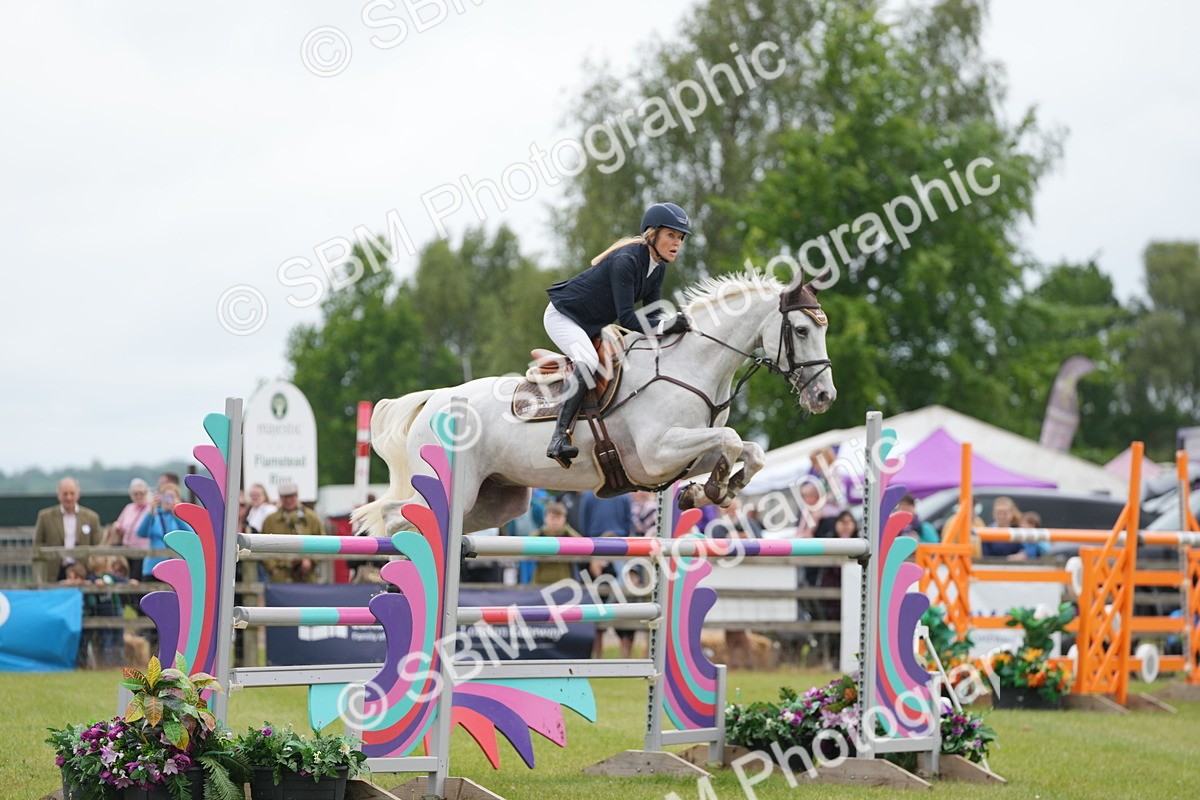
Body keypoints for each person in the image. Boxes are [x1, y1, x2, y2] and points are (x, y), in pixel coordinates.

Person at [543, 202, 693, 467]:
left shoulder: (657, 267)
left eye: (680, 237)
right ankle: (558, 438)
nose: (677, 243)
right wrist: (666, 326)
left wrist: (670, 326)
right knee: (588, 361)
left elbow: (652, 315)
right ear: (652, 234)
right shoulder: (626, 261)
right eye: (671, 235)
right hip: (563, 316)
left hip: (589, 324)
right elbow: (627, 318)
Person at [33, 477, 102, 584]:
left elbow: (98, 547)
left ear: (78, 495)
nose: (69, 498)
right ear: (58, 495)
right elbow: (37, 545)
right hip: (55, 572)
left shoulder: (92, 518)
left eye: (72, 493)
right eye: (65, 494)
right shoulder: (45, 517)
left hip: (83, 574)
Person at [260, 482, 324, 582]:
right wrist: (273, 568)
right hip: (280, 577)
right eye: (285, 497)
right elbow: (261, 546)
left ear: (297, 496)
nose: (289, 500)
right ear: (280, 498)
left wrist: (311, 561)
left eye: (291, 496)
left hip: (306, 577)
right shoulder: (270, 520)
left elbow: (322, 544)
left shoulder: (311, 518)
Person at [135, 482, 195, 579]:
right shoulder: (154, 515)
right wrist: (150, 510)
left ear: (178, 499)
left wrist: (177, 513)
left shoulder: (180, 518)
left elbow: (191, 534)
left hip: (174, 569)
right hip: (152, 568)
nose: (168, 500)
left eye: (172, 497)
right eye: (166, 497)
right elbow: (141, 533)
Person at [529, 502, 581, 585]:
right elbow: (525, 546)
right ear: (545, 518)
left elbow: (582, 545)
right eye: (552, 517)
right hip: (540, 583)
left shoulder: (570, 535)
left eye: (559, 517)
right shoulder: (539, 535)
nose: (555, 521)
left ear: (565, 519)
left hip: (565, 583)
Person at [112, 478, 152, 579]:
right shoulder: (128, 508)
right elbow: (120, 525)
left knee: (136, 580)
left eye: (141, 493)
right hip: (126, 552)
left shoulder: (150, 510)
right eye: (135, 494)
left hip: (141, 553)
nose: (138, 496)